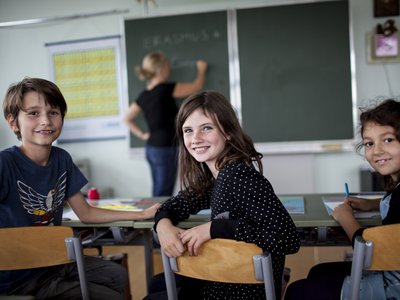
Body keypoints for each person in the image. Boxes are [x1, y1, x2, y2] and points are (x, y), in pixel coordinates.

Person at [0, 77, 160, 300]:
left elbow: (85, 212)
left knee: (117, 275)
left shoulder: (61, 159)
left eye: (53, 112)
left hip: (53, 264)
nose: (46, 120)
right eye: (33, 113)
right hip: (17, 279)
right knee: (111, 296)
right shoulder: (5, 164)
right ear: (13, 123)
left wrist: (141, 214)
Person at [150, 90, 300, 299]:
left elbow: (287, 238)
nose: (196, 138)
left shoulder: (237, 175)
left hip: (242, 291)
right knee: (157, 284)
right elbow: (172, 206)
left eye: (207, 128)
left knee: (154, 290)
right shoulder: (216, 177)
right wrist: (163, 226)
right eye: (188, 130)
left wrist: (215, 228)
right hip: (224, 281)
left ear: (228, 132)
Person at [284, 99, 400, 300]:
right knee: (318, 272)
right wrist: (371, 204)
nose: (377, 150)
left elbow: (372, 252)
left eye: (388, 140)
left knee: (297, 291)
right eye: (369, 143)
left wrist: (346, 217)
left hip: (391, 287)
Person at [124, 51, 208, 197]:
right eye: (167, 64)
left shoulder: (144, 95)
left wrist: (142, 135)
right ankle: (159, 218)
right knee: (163, 192)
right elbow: (197, 86)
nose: (169, 68)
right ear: (160, 68)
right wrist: (201, 70)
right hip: (166, 148)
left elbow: (127, 118)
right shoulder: (167, 89)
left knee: (158, 190)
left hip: (151, 148)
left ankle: (155, 217)